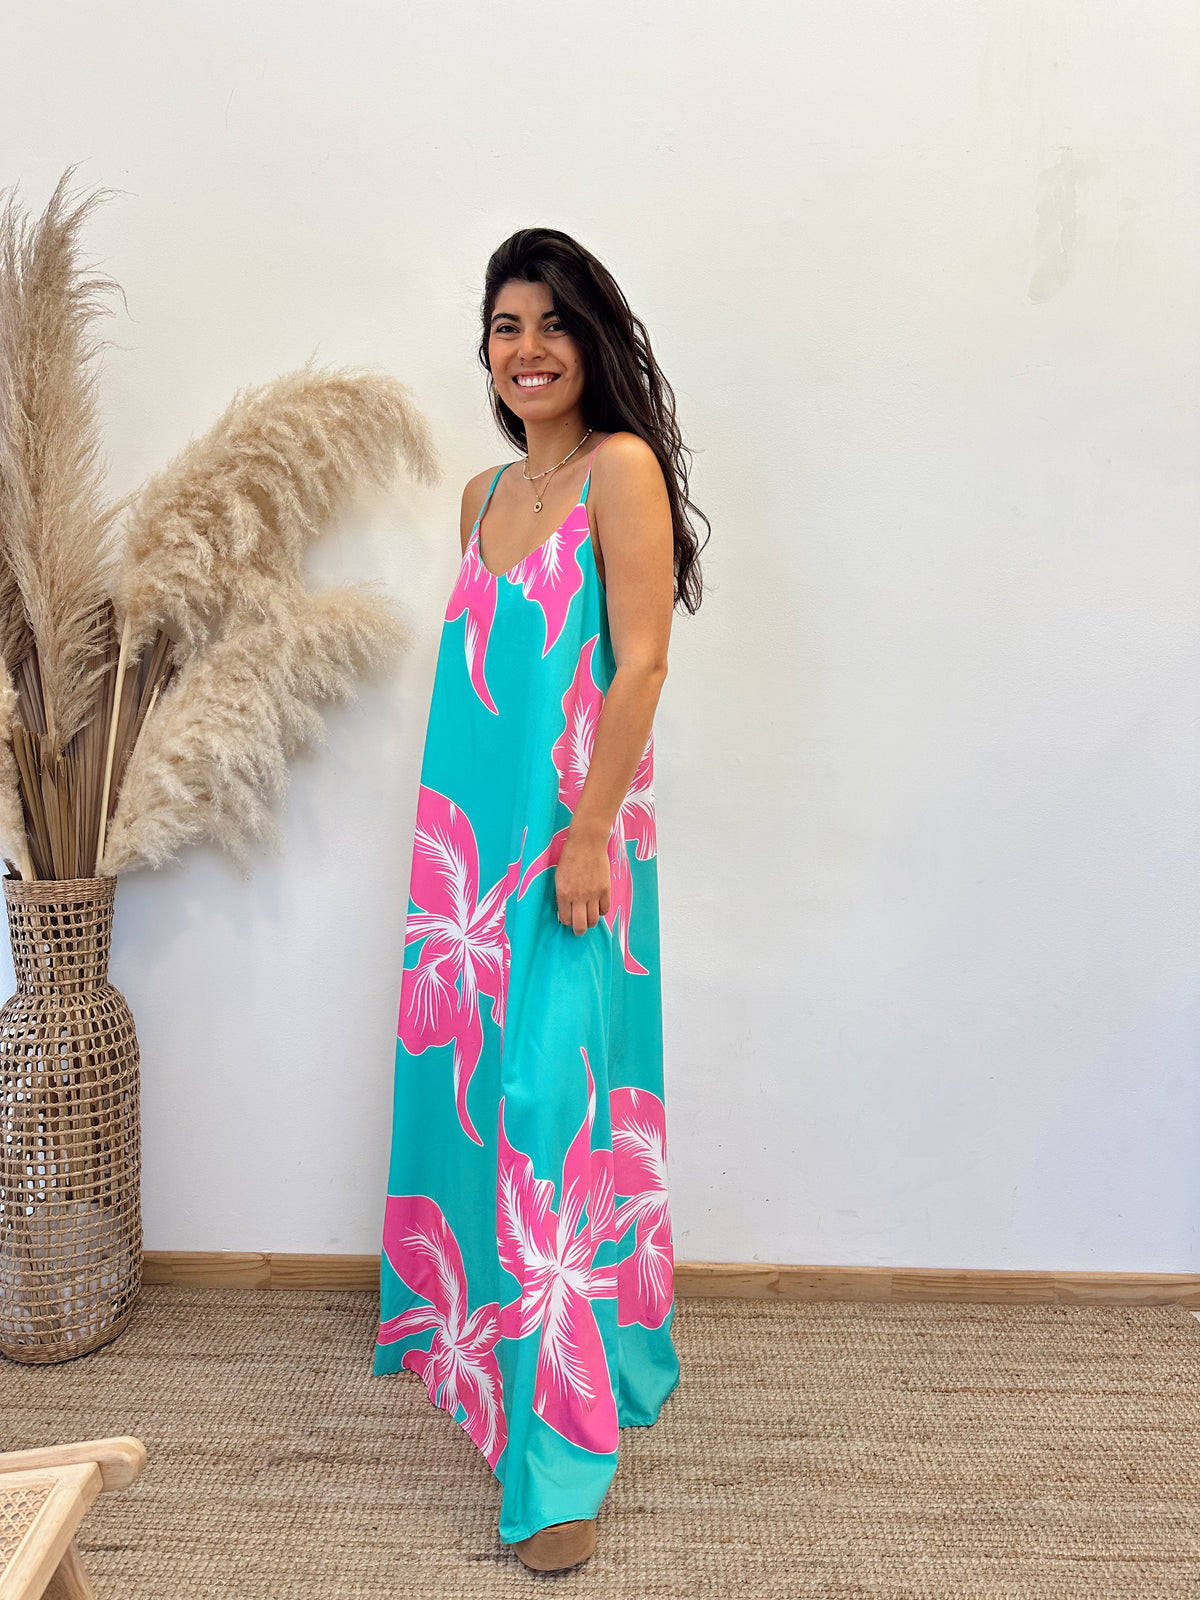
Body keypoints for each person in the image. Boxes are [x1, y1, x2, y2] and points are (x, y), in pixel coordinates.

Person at [373, 227, 708, 1572]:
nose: (529, 349)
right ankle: (475, 1344)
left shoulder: (620, 470)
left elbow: (642, 665)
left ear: (594, 340)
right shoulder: (482, 495)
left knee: (550, 1103)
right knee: (475, 1085)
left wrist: (589, 834)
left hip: (574, 842)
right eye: (507, 326)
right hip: (470, 845)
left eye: (555, 323)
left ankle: (561, 1457)